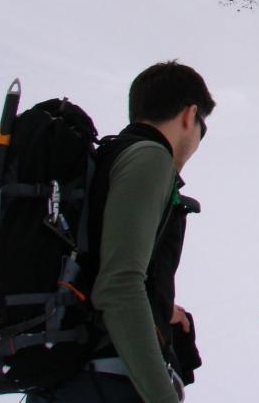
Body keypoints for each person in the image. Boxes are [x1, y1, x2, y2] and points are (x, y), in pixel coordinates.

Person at [27, 61, 215, 403]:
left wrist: (159, 308)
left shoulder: (113, 157)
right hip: (104, 383)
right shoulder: (151, 158)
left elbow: (99, 263)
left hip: (73, 380)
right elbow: (118, 285)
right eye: (202, 125)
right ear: (190, 115)